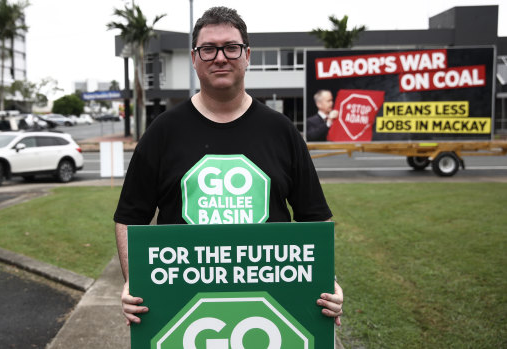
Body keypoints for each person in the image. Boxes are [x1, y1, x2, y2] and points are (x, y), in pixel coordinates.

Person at [114, 6, 343, 327]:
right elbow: (130, 217)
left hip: (272, 306)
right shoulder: (162, 132)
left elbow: (315, 217)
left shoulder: (281, 131)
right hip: (182, 310)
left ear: (247, 55)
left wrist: (327, 281)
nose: (220, 57)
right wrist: (134, 282)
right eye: (208, 49)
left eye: (231, 47)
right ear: (194, 58)